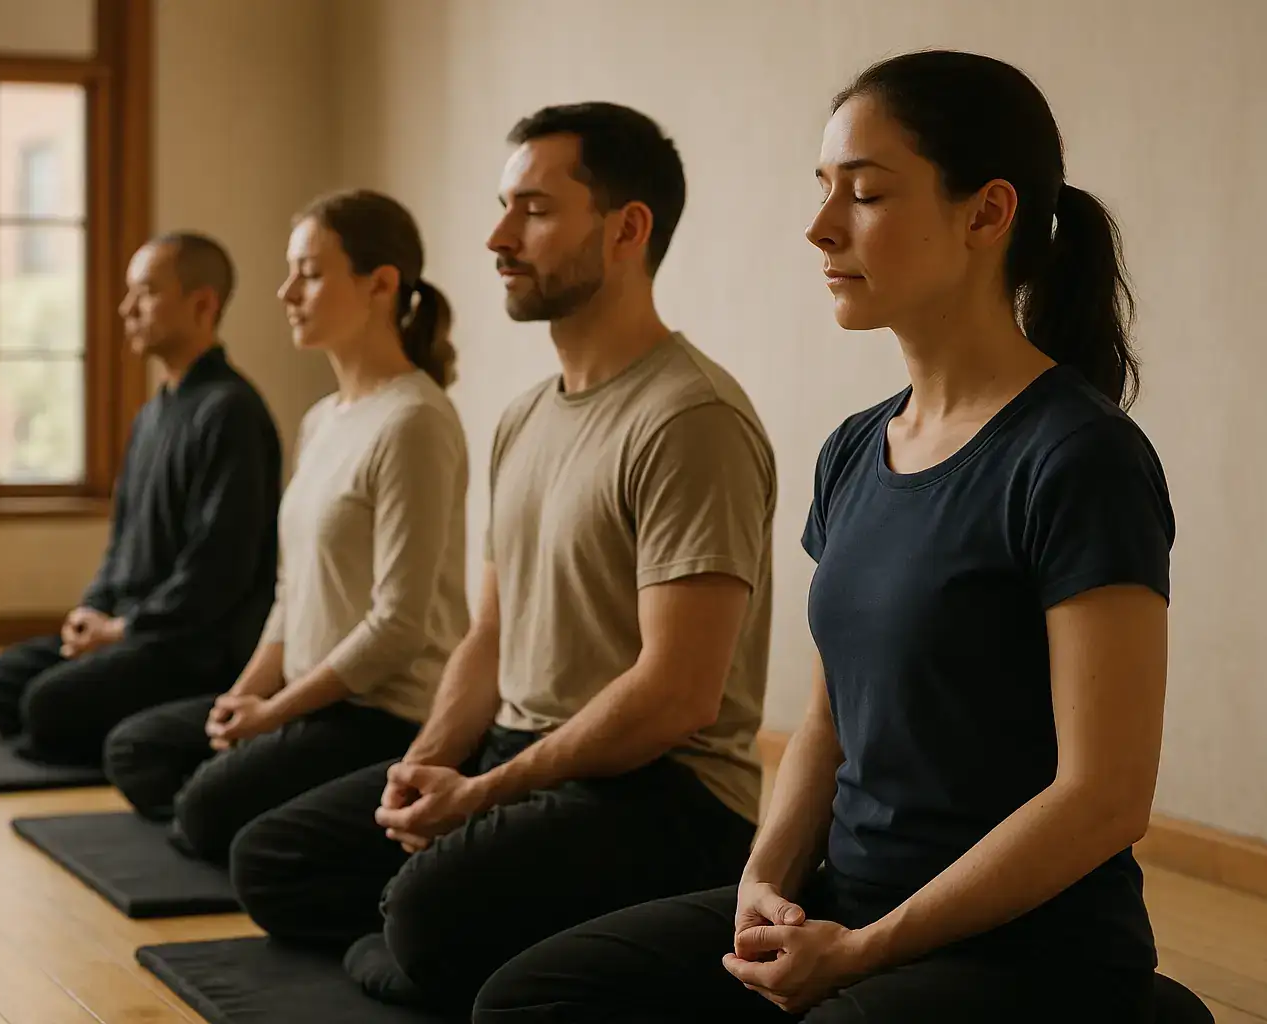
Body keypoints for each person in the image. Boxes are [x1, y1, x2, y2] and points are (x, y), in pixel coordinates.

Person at [472, 50, 1177, 1024]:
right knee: (529, 1000)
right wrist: (761, 882)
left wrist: (859, 954)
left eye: (866, 194)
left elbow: (1105, 796)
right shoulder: (855, 449)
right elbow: (828, 724)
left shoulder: (1081, 458)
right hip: (844, 907)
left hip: (1028, 953)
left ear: (985, 213)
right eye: (821, 190)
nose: (820, 226)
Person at [228, 102, 777, 1013]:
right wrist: (432, 760)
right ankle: (468, 942)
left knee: (419, 915)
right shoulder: (523, 416)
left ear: (627, 228)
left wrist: (483, 794)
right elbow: (488, 629)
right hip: (520, 752)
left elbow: (679, 694)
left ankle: (458, 945)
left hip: (663, 793)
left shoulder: (692, 419)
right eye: (502, 206)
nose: (496, 236)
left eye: (533, 209)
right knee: (270, 859)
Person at [101, 191, 471, 864]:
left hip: (378, 711)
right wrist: (246, 695)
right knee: (137, 747)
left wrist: (275, 715)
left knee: (206, 811)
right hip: (304, 698)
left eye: (309, 271)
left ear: (380, 285)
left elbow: (399, 628)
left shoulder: (414, 420)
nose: (284, 291)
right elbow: (289, 590)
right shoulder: (322, 418)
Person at [0, 233, 282, 766]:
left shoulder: (231, 412)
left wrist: (123, 630)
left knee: (46, 704)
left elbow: (218, 570)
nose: (126, 309)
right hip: (125, 631)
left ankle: (143, 727)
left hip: (188, 646)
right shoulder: (152, 414)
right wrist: (91, 609)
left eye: (144, 293)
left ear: (202, 303)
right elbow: (122, 540)